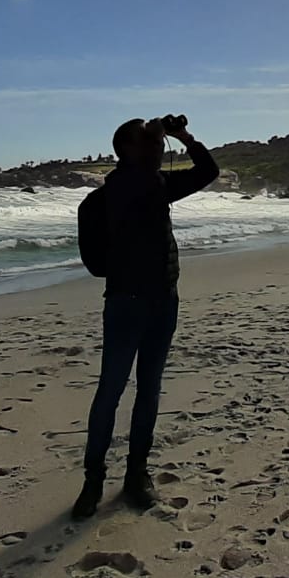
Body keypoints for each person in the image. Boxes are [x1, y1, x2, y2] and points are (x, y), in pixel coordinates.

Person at [71, 113, 218, 518]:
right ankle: (108, 478)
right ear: (127, 150)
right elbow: (205, 169)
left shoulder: (139, 190)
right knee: (122, 391)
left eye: (159, 145)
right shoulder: (134, 191)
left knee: (131, 390)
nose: (158, 148)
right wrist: (177, 135)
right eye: (150, 143)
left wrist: (178, 134)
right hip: (134, 303)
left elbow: (208, 170)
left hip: (151, 300)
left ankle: (121, 477)